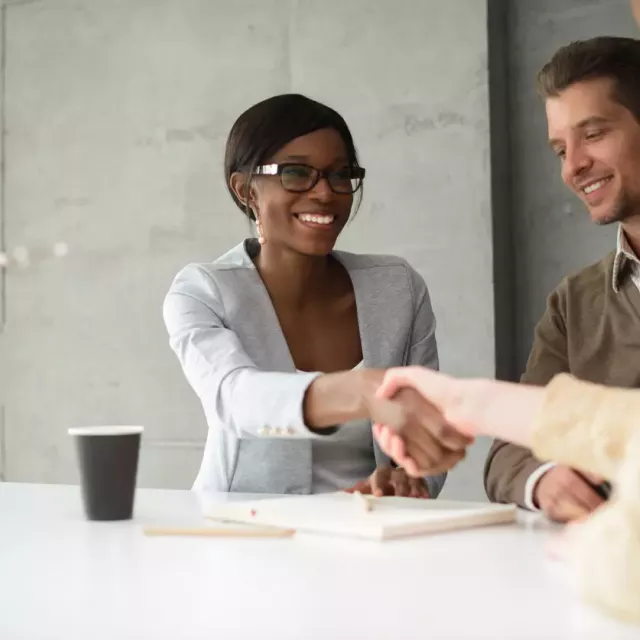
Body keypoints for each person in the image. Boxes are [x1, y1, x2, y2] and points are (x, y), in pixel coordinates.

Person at [162, 94, 470, 497]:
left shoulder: (398, 288)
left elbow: (424, 437)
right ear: (246, 191)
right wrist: (363, 393)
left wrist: (410, 481)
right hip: (242, 535)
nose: (325, 193)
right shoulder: (203, 291)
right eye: (296, 173)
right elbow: (236, 399)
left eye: (340, 174)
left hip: (370, 537)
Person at [483, 36, 640, 522]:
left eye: (592, 134)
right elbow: (509, 448)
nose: (573, 166)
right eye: (559, 149)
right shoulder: (574, 303)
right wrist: (544, 479)